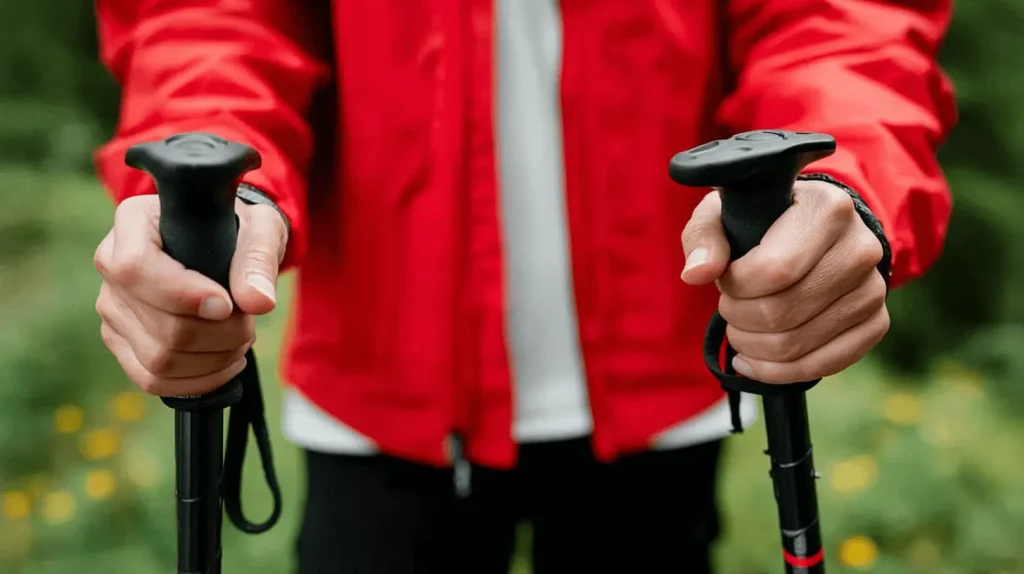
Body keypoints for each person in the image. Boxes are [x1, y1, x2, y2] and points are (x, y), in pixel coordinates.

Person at [90, 1, 956, 572]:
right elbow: (213, 23)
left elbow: (838, 23)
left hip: (656, 389)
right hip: (383, 395)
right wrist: (218, 181)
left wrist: (842, 175)